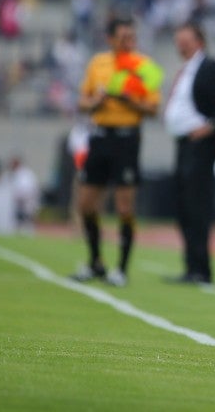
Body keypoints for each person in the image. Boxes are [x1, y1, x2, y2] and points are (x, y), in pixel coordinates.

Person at [71, 17, 161, 287]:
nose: (128, 42)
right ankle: (95, 260)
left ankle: (121, 268)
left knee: (124, 206)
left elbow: (154, 109)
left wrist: (130, 101)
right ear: (110, 39)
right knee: (86, 203)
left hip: (127, 138)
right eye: (123, 37)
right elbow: (82, 102)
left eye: (131, 37)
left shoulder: (144, 66)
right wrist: (96, 101)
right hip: (100, 136)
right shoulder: (98, 64)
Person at [164, 21, 215, 285]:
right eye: (178, 40)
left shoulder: (209, 66)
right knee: (184, 206)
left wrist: (211, 126)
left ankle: (201, 269)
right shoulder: (187, 69)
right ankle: (191, 266)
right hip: (184, 144)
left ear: (199, 41)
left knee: (197, 207)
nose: (180, 44)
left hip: (200, 146)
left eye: (185, 39)